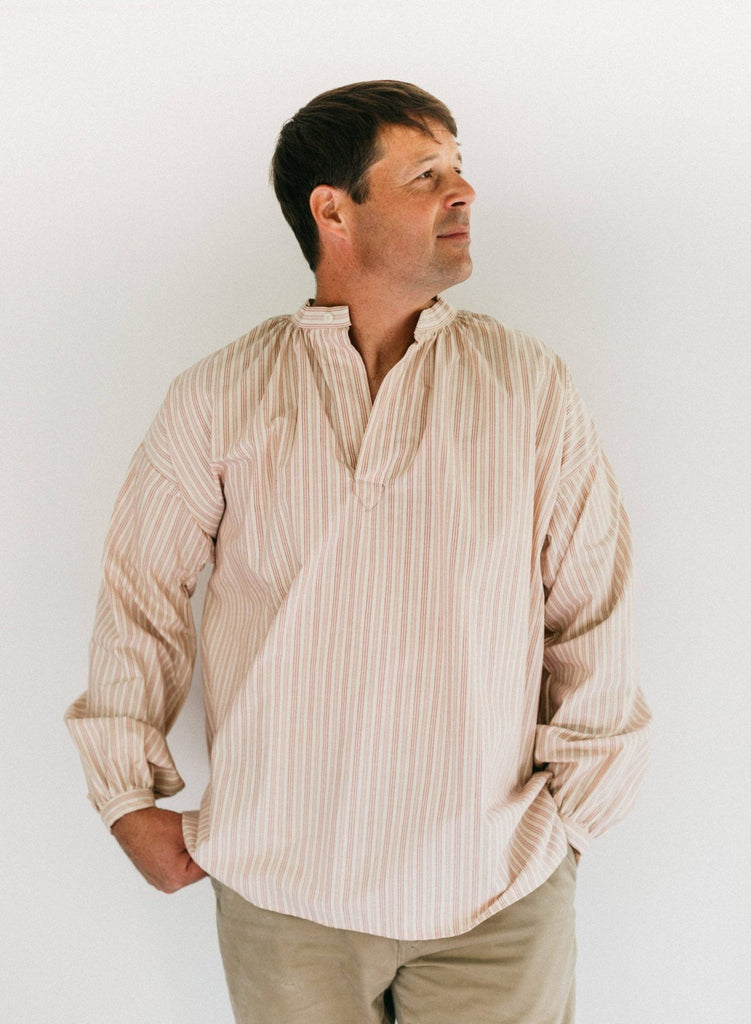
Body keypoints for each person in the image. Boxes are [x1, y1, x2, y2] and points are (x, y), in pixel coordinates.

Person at [66, 81, 651, 1023]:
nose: (462, 193)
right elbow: (140, 597)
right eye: (425, 175)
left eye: (458, 169)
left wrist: (570, 823)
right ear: (332, 210)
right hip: (282, 893)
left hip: (495, 893)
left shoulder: (527, 387)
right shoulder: (220, 396)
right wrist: (126, 795)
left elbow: (592, 610)